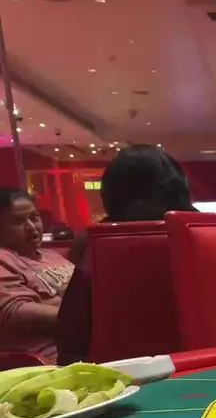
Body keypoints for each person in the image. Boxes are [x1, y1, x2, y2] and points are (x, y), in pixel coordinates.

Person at [57, 144, 198, 364]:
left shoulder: (96, 243)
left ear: (110, 194)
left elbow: (71, 337)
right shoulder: (207, 233)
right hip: (212, 366)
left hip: (117, 374)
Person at [0, 188, 74, 360]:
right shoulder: (4, 258)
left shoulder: (51, 256)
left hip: (87, 343)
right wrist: (86, 316)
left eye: (34, 217)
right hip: (51, 358)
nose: (31, 227)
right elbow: (15, 312)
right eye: (18, 221)